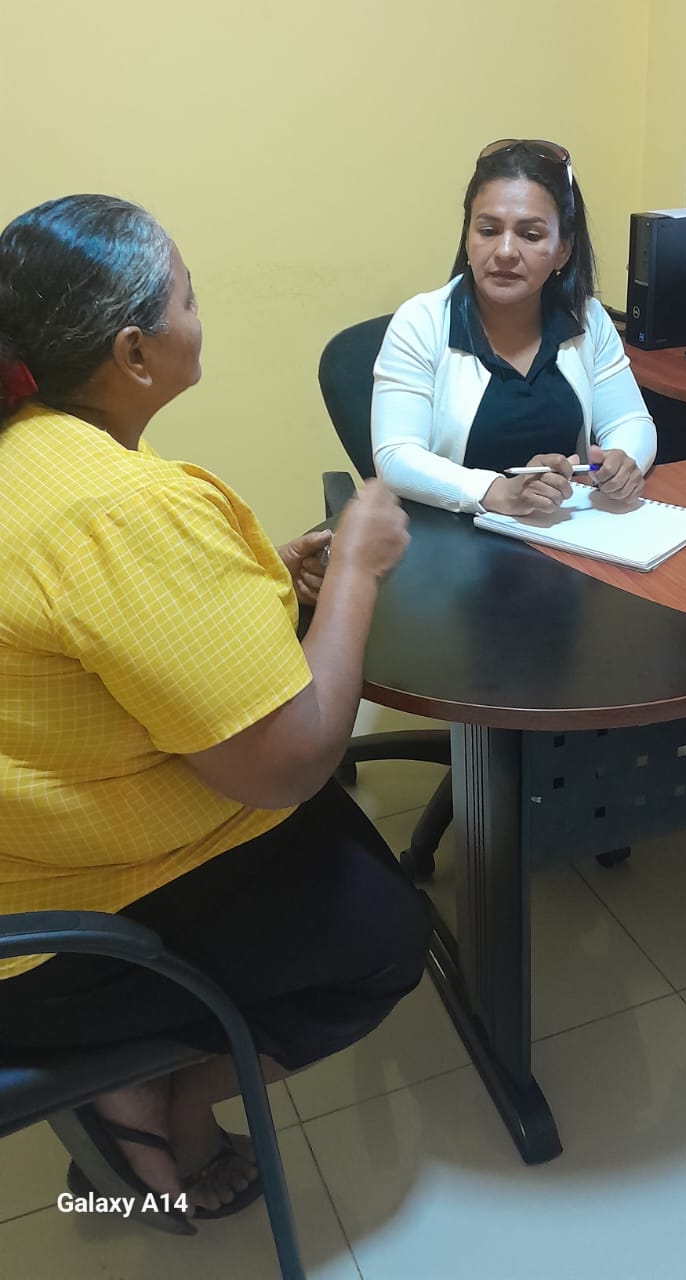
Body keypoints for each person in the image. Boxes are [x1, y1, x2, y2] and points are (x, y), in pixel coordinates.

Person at [0, 195, 428, 1225]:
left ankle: (142, 1074)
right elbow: (290, 762)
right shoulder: (118, 506)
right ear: (134, 352)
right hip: (48, 938)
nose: (202, 312)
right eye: (188, 297)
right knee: (386, 934)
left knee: (334, 835)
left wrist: (254, 574)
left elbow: (90, 620)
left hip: (37, 841)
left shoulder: (38, 454)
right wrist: (359, 564)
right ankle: (163, 1098)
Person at [372, 138, 656, 515]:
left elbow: (630, 419)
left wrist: (622, 461)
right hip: (453, 531)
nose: (505, 251)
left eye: (530, 235)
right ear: (468, 237)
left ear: (563, 249)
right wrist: (497, 492)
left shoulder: (587, 319)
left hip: (563, 529)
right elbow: (395, 457)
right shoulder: (421, 323)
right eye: (488, 230)